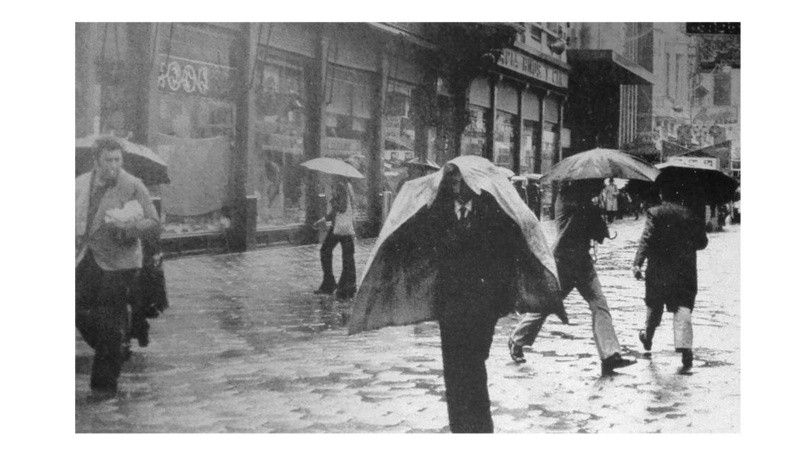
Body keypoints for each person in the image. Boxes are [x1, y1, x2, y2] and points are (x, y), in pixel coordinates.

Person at [351, 157, 565, 433]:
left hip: (482, 307)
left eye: (461, 180)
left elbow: (510, 256)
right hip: (450, 305)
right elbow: (413, 243)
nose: (456, 185)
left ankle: (479, 429)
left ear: (474, 183)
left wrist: (499, 298)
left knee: (473, 365)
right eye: (452, 180)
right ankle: (460, 429)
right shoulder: (435, 212)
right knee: (454, 370)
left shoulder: (495, 213)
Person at [508, 180, 636, 376]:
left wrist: (596, 213)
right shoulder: (572, 200)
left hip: (583, 263)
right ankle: (517, 340)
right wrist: (595, 211)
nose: (600, 185)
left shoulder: (581, 200)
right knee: (547, 304)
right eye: (597, 182)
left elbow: (599, 233)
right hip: (563, 263)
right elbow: (592, 229)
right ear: (584, 183)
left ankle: (610, 356)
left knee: (599, 304)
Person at [76, 138, 159, 395]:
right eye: (108, 160)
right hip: (87, 256)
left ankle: (104, 384)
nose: (114, 166)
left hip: (120, 263)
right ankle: (114, 346)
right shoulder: (80, 184)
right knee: (76, 307)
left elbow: (153, 221)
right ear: (96, 162)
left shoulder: (133, 185)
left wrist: (127, 229)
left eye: (117, 160)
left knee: (109, 317)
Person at [632, 179, 708, 372]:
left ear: (662, 195)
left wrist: (637, 263)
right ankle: (685, 349)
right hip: (684, 271)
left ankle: (648, 339)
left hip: (659, 270)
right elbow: (702, 243)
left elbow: (646, 239)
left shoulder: (655, 213)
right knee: (682, 307)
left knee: (654, 306)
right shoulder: (691, 215)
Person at [314, 176, 357, 300]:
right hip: (344, 228)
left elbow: (341, 208)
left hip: (340, 228)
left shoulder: (341, 186)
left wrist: (333, 201)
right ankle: (347, 286)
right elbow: (341, 210)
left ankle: (334, 284)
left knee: (327, 252)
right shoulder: (348, 186)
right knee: (347, 257)